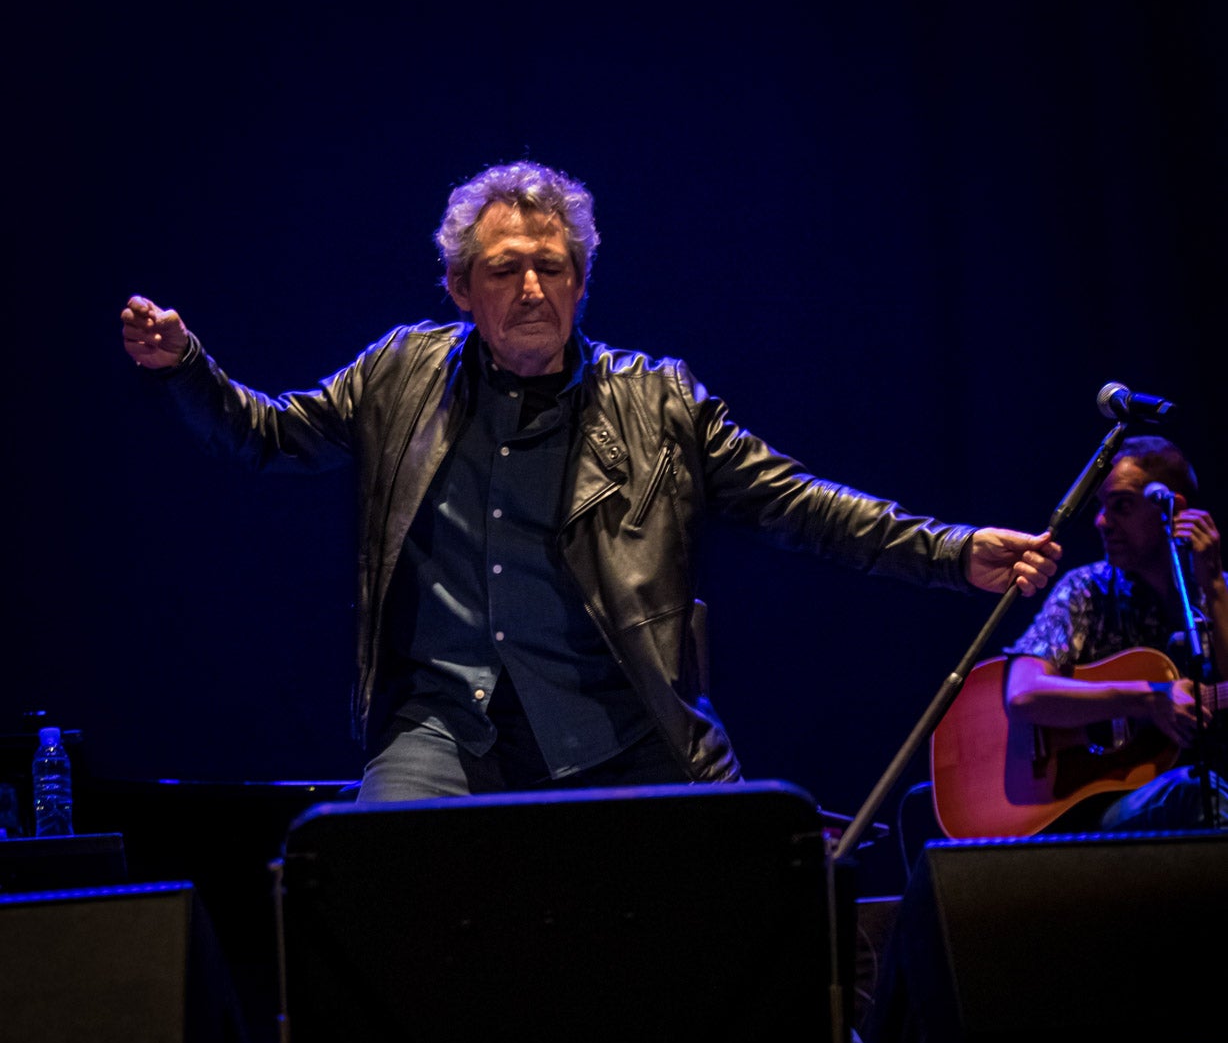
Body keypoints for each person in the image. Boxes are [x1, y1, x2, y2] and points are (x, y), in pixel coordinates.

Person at [122, 160, 1059, 802]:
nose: (531, 288)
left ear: (581, 283)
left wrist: (952, 551)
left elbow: (799, 504)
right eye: (504, 270)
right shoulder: (398, 373)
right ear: (459, 287)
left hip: (621, 723)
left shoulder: (660, 400)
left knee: (744, 896)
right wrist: (186, 367)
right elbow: (269, 435)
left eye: (551, 267)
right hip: (443, 727)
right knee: (375, 877)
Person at [1005, 435, 1227, 830]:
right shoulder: (1087, 589)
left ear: (1171, 510)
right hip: (1091, 808)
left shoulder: (1217, 593)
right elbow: (1023, 693)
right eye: (1101, 508)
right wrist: (1148, 699)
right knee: (1194, 791)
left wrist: (1213, 589)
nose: (1102, 522)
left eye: (1121, 506)